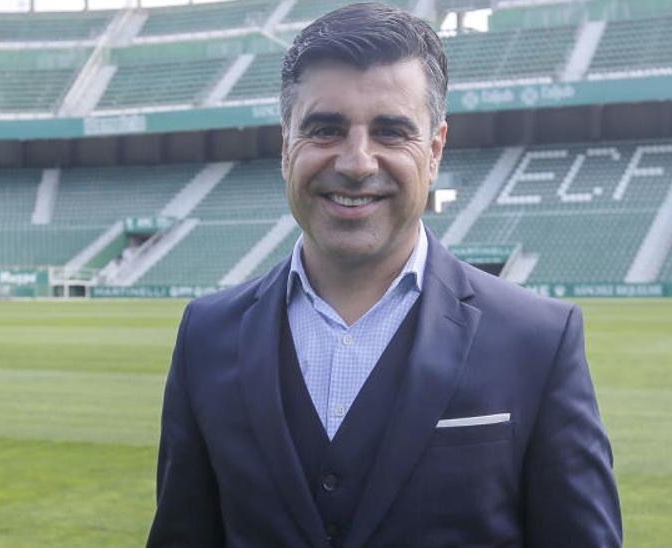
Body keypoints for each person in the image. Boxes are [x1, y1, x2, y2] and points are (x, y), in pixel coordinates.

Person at [146, 3, 622, 546]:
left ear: (435, 149)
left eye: (391, 132)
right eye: (325, 129)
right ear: (285, 145)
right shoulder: (207, 336)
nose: (357, 162)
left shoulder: (538, 341)